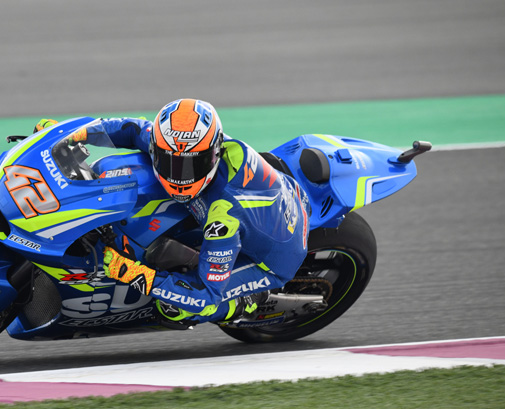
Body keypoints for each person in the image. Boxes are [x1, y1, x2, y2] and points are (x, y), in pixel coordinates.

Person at [36, 98, 310, 327]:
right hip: (270, 198)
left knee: (177, 308)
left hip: (273, 257)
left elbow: (205, 293)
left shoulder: (223, 219)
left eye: (191, 166)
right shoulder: (180, 142)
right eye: (169, 162)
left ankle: (248, 302)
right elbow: (131, 129)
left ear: (214, 154)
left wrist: (135, 274)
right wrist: (70, 134)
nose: (179, 176)